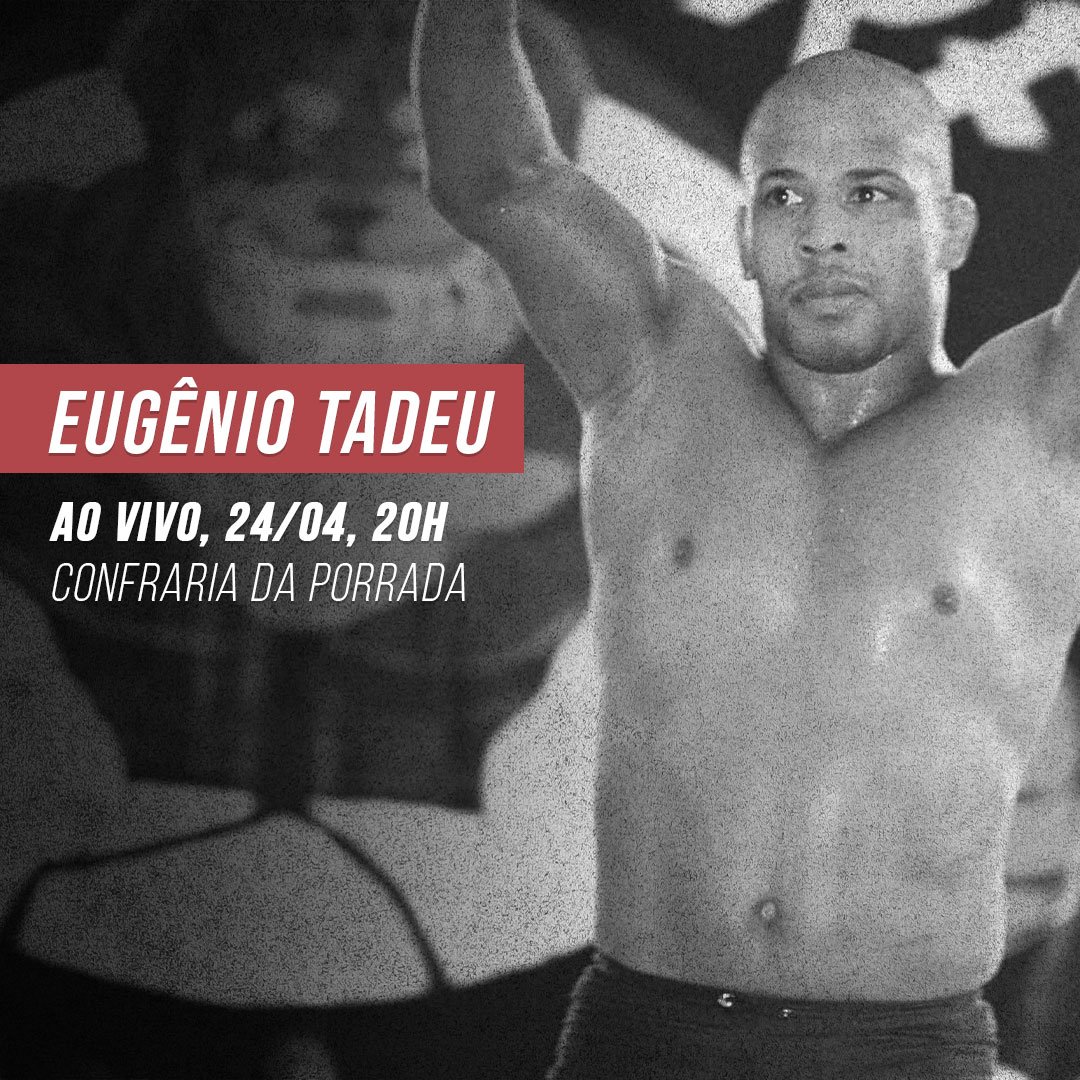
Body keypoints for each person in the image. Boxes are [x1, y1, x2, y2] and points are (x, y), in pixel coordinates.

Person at [413, 1, 1080, 1076]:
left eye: (872, 193)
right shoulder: (651, 368)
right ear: (742, 235)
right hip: (647, 1032)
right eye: (784, 194)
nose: (823, 233)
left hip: (901, 1048)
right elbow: (497, 179)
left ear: (953, 227)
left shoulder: (1041, 418)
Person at [0, 2, 596, 1077]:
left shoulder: (597, 337)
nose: (353, 197)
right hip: (109, 913)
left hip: (468, 930)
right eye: (282, 137)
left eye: (416, 155)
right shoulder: (70, 275)